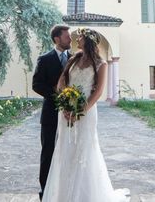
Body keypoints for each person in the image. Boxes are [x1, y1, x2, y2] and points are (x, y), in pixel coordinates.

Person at [41, 27, 130, 202]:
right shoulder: (73, 59)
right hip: (65, 113)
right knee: (66, 150)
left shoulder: (101, 64)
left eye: (80, 38)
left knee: (84, 151)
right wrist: (65, 105)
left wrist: (80, 111)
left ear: (88, 41)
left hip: (86, 113)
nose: (76, 40)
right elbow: (61, 84)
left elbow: (98, 92)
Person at [32, 24, 72, 199]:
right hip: (50, 115)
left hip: (71, 116)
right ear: (57, 39)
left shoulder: (74, 59)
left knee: (68, 153)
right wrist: (57, 95)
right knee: (48, 154)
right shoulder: (45, 59)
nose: (70, 39)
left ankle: (64, 192)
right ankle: (45, 193)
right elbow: (36, 85)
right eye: (67, 37)